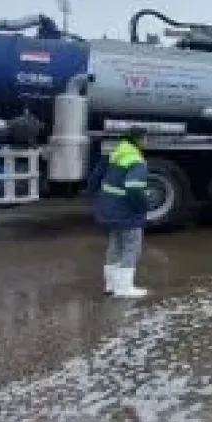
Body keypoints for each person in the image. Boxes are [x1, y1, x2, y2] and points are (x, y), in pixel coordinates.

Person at [87, 126, 150, 298]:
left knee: (115, 246)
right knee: (131, 247)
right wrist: (143, 207)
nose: (146, 142)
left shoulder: (117, 152)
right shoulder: (136, 160)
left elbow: (95, 177)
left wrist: (95, 198)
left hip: (110, 207)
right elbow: (134, 189)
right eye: (145, 139)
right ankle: (124, 289)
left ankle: (111, 285)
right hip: (126, 210)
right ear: (139, 139)